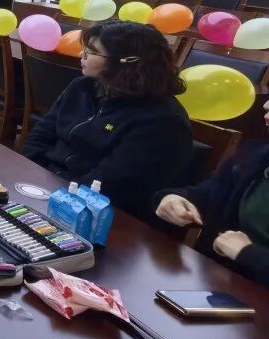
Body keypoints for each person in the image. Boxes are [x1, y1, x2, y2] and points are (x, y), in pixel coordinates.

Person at [21, 20, 193, 219]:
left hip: (98, 212)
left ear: (127, 62)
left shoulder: (162, 120)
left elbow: (110, 183)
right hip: (51, 185)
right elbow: (41, 134)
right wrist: (29, 175)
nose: (81, 55)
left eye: (91, 52)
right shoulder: (82, 86)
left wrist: (54, 194)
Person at [155, 99, 269, 286]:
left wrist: (249, 254)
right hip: (219, 283)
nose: (266, 105)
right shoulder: (256, 156)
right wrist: (173, 198)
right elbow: (209, 193)